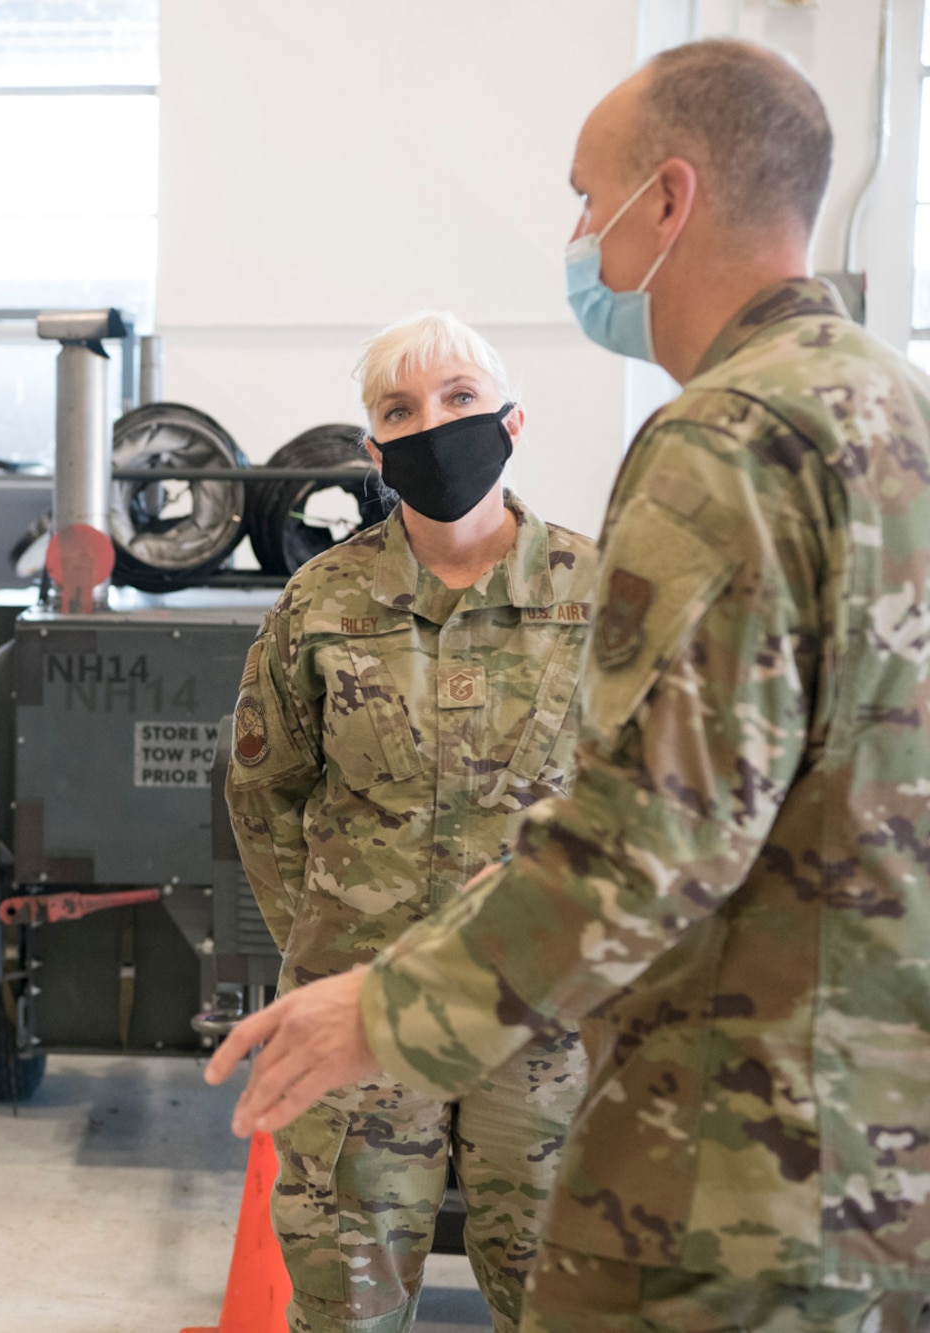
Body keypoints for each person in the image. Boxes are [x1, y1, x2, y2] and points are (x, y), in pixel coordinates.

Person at [206, 37, 930, 1331]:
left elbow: (656, 834)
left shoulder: (725, 440)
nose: (583, 236)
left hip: (732, 1154)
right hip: (878, 1136)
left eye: (590, 200)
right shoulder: (894, 407)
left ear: (670, 200)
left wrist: (387, 1007)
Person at [228, 313, 596, 1333]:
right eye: (399, 410)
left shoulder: (597, 592)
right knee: (343, 1293)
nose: (431, 426)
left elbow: (645, 805)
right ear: (373, 450)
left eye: (458, 400)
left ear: (511, 421)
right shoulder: (320, 599)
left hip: (540, 1011)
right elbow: (264, 795)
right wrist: (323, 943)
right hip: (358, 1006)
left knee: (558, 1293)